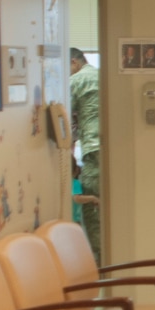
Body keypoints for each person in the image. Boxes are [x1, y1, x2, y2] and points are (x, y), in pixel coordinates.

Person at [68, 47, 103, 263]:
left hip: (93, 147)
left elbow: (64, 116)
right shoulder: (102, 75)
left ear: (73, 62)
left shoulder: (76, 80)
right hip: (113, 148)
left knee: (92, 205)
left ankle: (100, 260)